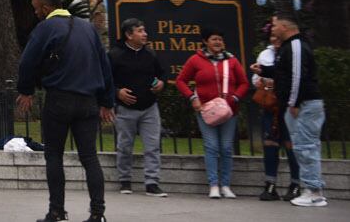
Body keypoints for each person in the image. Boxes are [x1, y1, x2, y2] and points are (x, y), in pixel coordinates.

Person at [17, 0, 114, 222]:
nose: (35, 12)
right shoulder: (89, 28)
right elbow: (104, 66)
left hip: (59, 100)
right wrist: (107, 102)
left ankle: (57, 211)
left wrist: (26, 91)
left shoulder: (45, 28)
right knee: (89, 157)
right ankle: (97, 213)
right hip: (88, 102)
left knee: (53, 155)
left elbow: (27, 63)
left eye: (36, 8)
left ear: (47, 7)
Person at [175, 27, 248, 199]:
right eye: (214, 39)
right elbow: (181, 81)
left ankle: (226, 185)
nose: (217, 42)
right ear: (205, 42)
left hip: (229, 112)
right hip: (206, 111)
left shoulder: (232, 61)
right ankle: (213, 184)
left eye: (220, 40)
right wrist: (192, 98)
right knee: (212, 146)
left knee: (226, 147)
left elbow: (244, 83)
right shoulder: (195, 60)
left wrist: (234, 98)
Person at [268, 13, 327, 207]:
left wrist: (293, 102)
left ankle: (314, 192)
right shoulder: (291, 46)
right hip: (300, 104)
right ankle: (312, 189)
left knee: (305, 147)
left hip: (303, 104)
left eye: (275, 25)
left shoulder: (295, 45)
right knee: (304, 147)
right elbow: (285, 72)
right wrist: (264, 70)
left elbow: (297, 75)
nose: (272, 29)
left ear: (285, 26)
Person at [107, 17, 168, 196]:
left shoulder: (150, 54)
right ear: (128, 35)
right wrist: (117, 93)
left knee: (153, 146)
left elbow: (162, 74)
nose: (145, 34)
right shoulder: (114, 55)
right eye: (140, 31)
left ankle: (152, 183)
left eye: (144, 30)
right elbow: (105, 80)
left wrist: (161, 84)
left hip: (150, 108)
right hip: (125, 110)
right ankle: (125, 181)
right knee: (125, 146)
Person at [250, 23, 301, 201]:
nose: (275, 39)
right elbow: (256, 79)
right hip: (270, 106)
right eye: (272, 36)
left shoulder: (291, 51)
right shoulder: (265, 54)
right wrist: (262, 80)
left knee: (291, 145)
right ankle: (270, 185)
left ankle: (296, 184)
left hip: (288, 105)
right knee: (270, 144)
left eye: (277, 36)